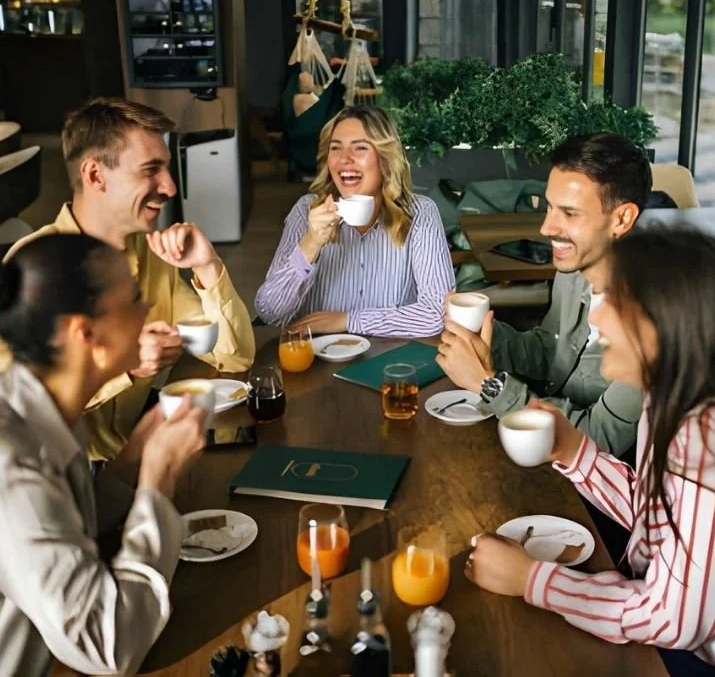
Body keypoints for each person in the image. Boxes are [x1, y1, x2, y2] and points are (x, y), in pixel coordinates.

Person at [466, 227, 715, 675]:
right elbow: (657, 517)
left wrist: (532, 580)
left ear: (661, 324)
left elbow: (671, 619)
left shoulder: (705, 443)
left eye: (612, 303)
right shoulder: (669, 400)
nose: (596, 319)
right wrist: (572, 449)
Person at [0, 233, 206, 675]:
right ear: (87, 334)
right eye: (133, 297)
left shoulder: (40, 399)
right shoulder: (10, 467)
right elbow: (108, 649)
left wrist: (131, 462)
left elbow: (64, 524)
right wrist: (158, 482)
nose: (147, 309)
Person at [5, 97, 255, 461]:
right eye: (150, 169)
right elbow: (18, 413)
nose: (169, 187)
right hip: (63, 477)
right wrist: (127, 367)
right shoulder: (34, 270)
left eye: (166, 169)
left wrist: (207, 266)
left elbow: (234, 358)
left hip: (134, 456)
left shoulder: (152, 253)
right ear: (95, 175)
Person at [437, 133, 651, 456]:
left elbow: (599, 442)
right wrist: (485, 334)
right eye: (549, 207)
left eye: (569, 213)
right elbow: (550, 353)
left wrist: (489, 383)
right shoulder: (575, 270)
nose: (546, 228)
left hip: (604, 493)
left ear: (621, 219)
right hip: (543, 456)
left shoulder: (655, 318)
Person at [255, 105, 454, 337]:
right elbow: (269, 312)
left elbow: (438, 313)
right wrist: (311, 243)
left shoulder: (420, 213)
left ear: (385, 158)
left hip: (389, 362)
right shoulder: (306, 211)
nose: (344, 159)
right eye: (335, 148)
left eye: (360, 148)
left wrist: (348, 320)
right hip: (316, 358)